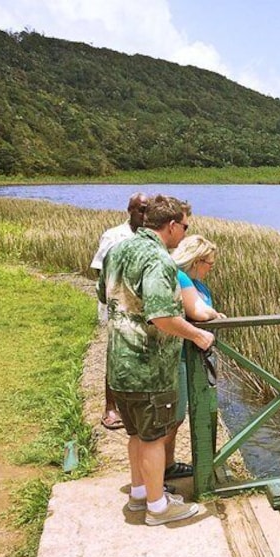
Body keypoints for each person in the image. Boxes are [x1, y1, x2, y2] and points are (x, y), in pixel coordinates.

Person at [98, 194, 215, 526]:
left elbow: (103, 294)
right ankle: (158, 507)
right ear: (173, 225)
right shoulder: (158, 259)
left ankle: (138, 495)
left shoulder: (118, 250)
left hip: (118, 361)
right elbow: (162, 315)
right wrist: (197, 335)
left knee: (136, 434)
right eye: (185, 226)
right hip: (149, 366)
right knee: (152, 438)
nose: (185, 233)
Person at [165, 235, 226, 480]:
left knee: (181, 417)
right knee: (174, 417)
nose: (211, 268)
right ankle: (160, 475)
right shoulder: (179, 277)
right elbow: (198, 312)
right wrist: (215, 314)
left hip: (196, 356)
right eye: (209, 263)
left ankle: (169, 467)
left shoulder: (196, 282)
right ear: (196, 260)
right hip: (180, 356)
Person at [90, 192, 149, 431]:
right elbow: (99, 271)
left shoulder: (150, 237)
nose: (145, 215)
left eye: (148, 210)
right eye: (140, 209)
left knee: (139, 355)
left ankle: (134, 407)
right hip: (117, 307)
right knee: (117, 356)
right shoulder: (114, 236)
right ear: (130, 210)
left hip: (140, 309)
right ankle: (110, 408)